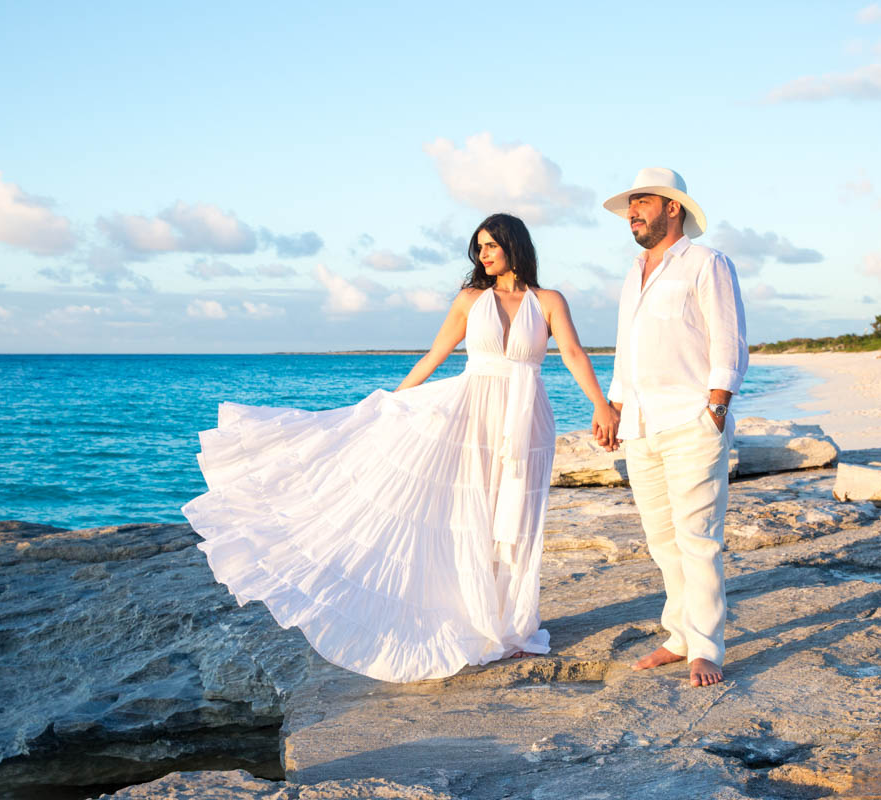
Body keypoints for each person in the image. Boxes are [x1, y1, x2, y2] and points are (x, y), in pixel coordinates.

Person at [181, 213, 619, 683]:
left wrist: (601, 405)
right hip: (472, 415)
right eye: (480, 248)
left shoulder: (548, 301)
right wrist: (392, 403)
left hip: (529, 418)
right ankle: (476, 620)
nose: (484, 255)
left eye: (492, 245)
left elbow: (572, 353)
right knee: (471, 514)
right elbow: (435, 356)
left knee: (519, 519)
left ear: (514, 245)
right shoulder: (471, 300)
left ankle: (513, 628)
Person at [598, 167, 748, 688]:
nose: (632, 213)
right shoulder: (633, 272)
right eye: (630, 205)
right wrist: (613, 406)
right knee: (661, 539)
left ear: (672, 208)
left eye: (641, 202)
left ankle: (706, 647)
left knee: (698, 538)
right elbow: (626, 349)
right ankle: (679, 635)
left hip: (690, 420)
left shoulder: (707, 264)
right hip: (639, 423)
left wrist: (717, 408)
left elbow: (729, 341)